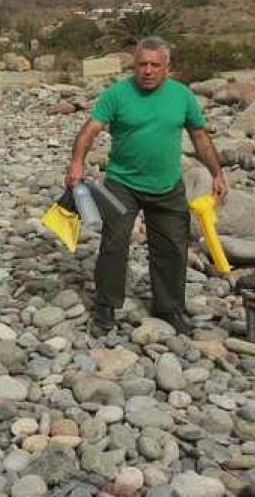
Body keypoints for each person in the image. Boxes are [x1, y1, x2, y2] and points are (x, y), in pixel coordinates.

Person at [65, 36, 227, 336]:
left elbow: (200, 137)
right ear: (134, 66)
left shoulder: (182, 96)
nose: (148, 71)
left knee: (172, 249)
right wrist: (77, 163)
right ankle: (106, 307)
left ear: (168, 67)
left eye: (155, 65)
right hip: (122, 182)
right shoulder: (117, 95)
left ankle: (169, 308)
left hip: (167, 185)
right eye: (142, 64)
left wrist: (217, 172)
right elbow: (89, 131)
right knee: (114, 245)